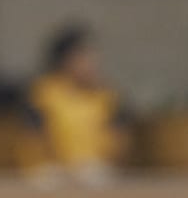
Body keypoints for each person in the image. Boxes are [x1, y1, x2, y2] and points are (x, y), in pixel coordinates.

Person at [20, 25, 130, 187]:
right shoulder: (44, 93)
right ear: (65, 61)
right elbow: (34, 138)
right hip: (52, 174)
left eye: (92, 57)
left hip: (95, 173)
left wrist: (103, 161)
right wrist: (61, 169)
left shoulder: (107, 96)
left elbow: (119, 139)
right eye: (82, 58)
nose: (90, 64)